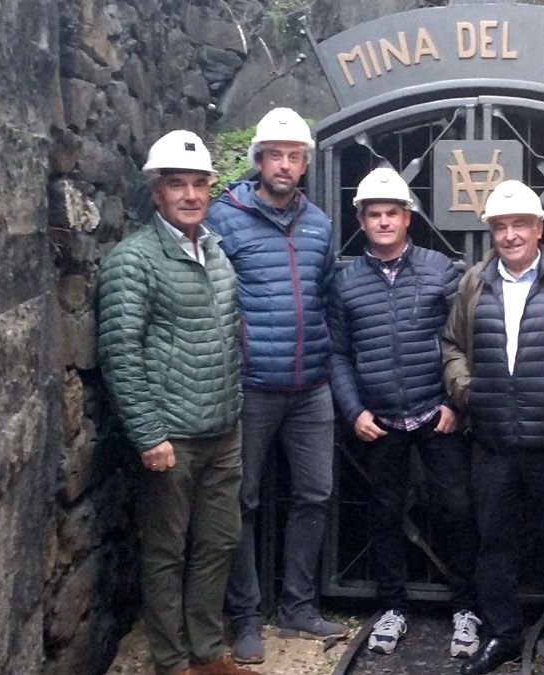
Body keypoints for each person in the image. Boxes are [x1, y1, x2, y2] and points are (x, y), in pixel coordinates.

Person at [97, 130, 253, 675]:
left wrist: (232, 407)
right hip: (172, 438)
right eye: (176, 185)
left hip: (221, 429)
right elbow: (120, 352)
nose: (190, 194)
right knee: (166, 553)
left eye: (198, 184)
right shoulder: (133, 260)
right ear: (157, 193)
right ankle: (170, 660)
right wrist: (148, 435)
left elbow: (227, 336)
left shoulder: (213, 250)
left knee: (217, 543)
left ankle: (207, 654)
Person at [205, 107, 344, 664]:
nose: (284, 165)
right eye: (275, 155)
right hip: (253, 386)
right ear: (258, 159)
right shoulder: (225, 218)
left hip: (311, 386)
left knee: (314, 493)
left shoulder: (319, 222)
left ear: (305, 163)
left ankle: (298, 605)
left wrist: (326, 353)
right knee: (243, 500)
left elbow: (328, 295)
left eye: (294, 156)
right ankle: (244, 617)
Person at [327, 167, 480, 659]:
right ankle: (391, 606)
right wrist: (353, 411)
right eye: (374, 214)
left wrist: (455, 402)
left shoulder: (439, 269)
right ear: (362, 220)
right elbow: (338, 354)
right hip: (380, 421)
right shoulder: (346, 282)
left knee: (456, 509)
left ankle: (466, 607)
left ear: (408, 218)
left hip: (436, 416)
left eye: (392, 212)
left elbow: (465, 338)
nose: (384, 221)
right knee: (385, 514)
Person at [440, 180, 544, 675]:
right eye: (500, 227)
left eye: (519, 224)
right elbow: (452, 345)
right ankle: (502, 633)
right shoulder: (475, 282)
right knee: (494, 544)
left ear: (539, 227)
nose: (509, 235)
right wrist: (467, 392)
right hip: (493, 440)